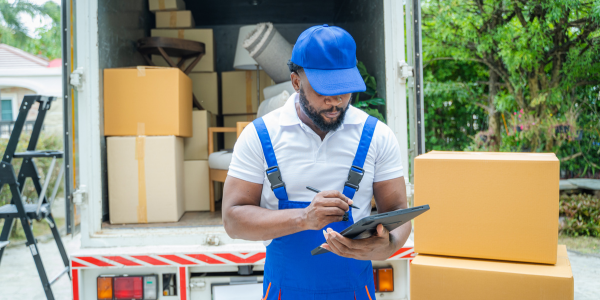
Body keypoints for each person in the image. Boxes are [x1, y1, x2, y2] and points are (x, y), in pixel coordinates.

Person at [222, 24, 410, 300]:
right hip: (285, 292)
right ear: (296, 82)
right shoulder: (260, 136)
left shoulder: (377, 137)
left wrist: (387, 245)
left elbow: (398, 212)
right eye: (324, 90)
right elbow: (232, 220)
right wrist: (304, 218)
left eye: (344, 90)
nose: (335, 101)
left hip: (355, 291)